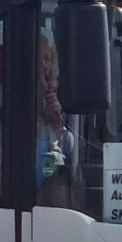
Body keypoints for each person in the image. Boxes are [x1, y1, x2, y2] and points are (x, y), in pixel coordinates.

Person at [36, 30, 75, 186]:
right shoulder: (6, 93)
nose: (46, 66)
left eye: (48, 59)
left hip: (51, 175)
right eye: (41, 60)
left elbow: (68, 147)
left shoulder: (50, 96)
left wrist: (56, 123)